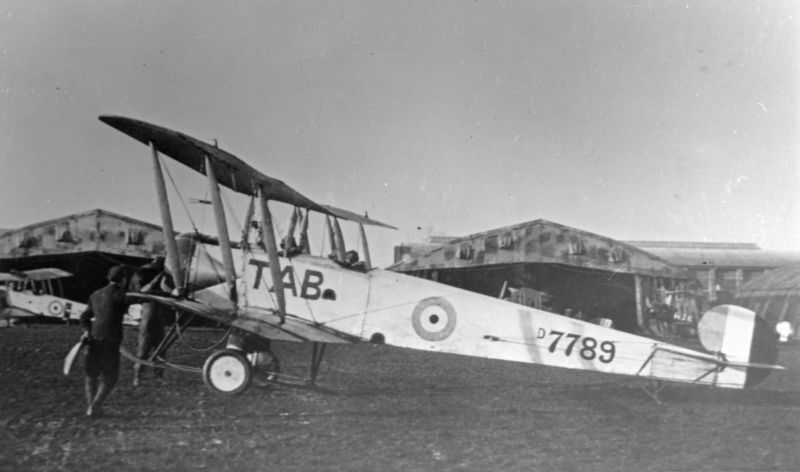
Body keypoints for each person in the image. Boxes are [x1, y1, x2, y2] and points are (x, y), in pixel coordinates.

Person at [79, 265, 130, 417]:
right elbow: (142, 296)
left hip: (93, 338)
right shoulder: (122, 294)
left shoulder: (95, 294)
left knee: (91, 375)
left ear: (108, 277)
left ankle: (91, 407)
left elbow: (84, 317)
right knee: (111, 377)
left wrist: (87, 331)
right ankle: (95, 406)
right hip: (111, 340)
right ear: (124, 279)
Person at [130, 261, 172, 387]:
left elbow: (170, 293)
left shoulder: (160, 287)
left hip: (157, 322)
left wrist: (163, 279)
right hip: (147, 322)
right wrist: (158, 278)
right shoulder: (146, 287)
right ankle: (137, 377)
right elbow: (144, 291)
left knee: (161, 351)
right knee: (142, 351)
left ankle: (159, 377)